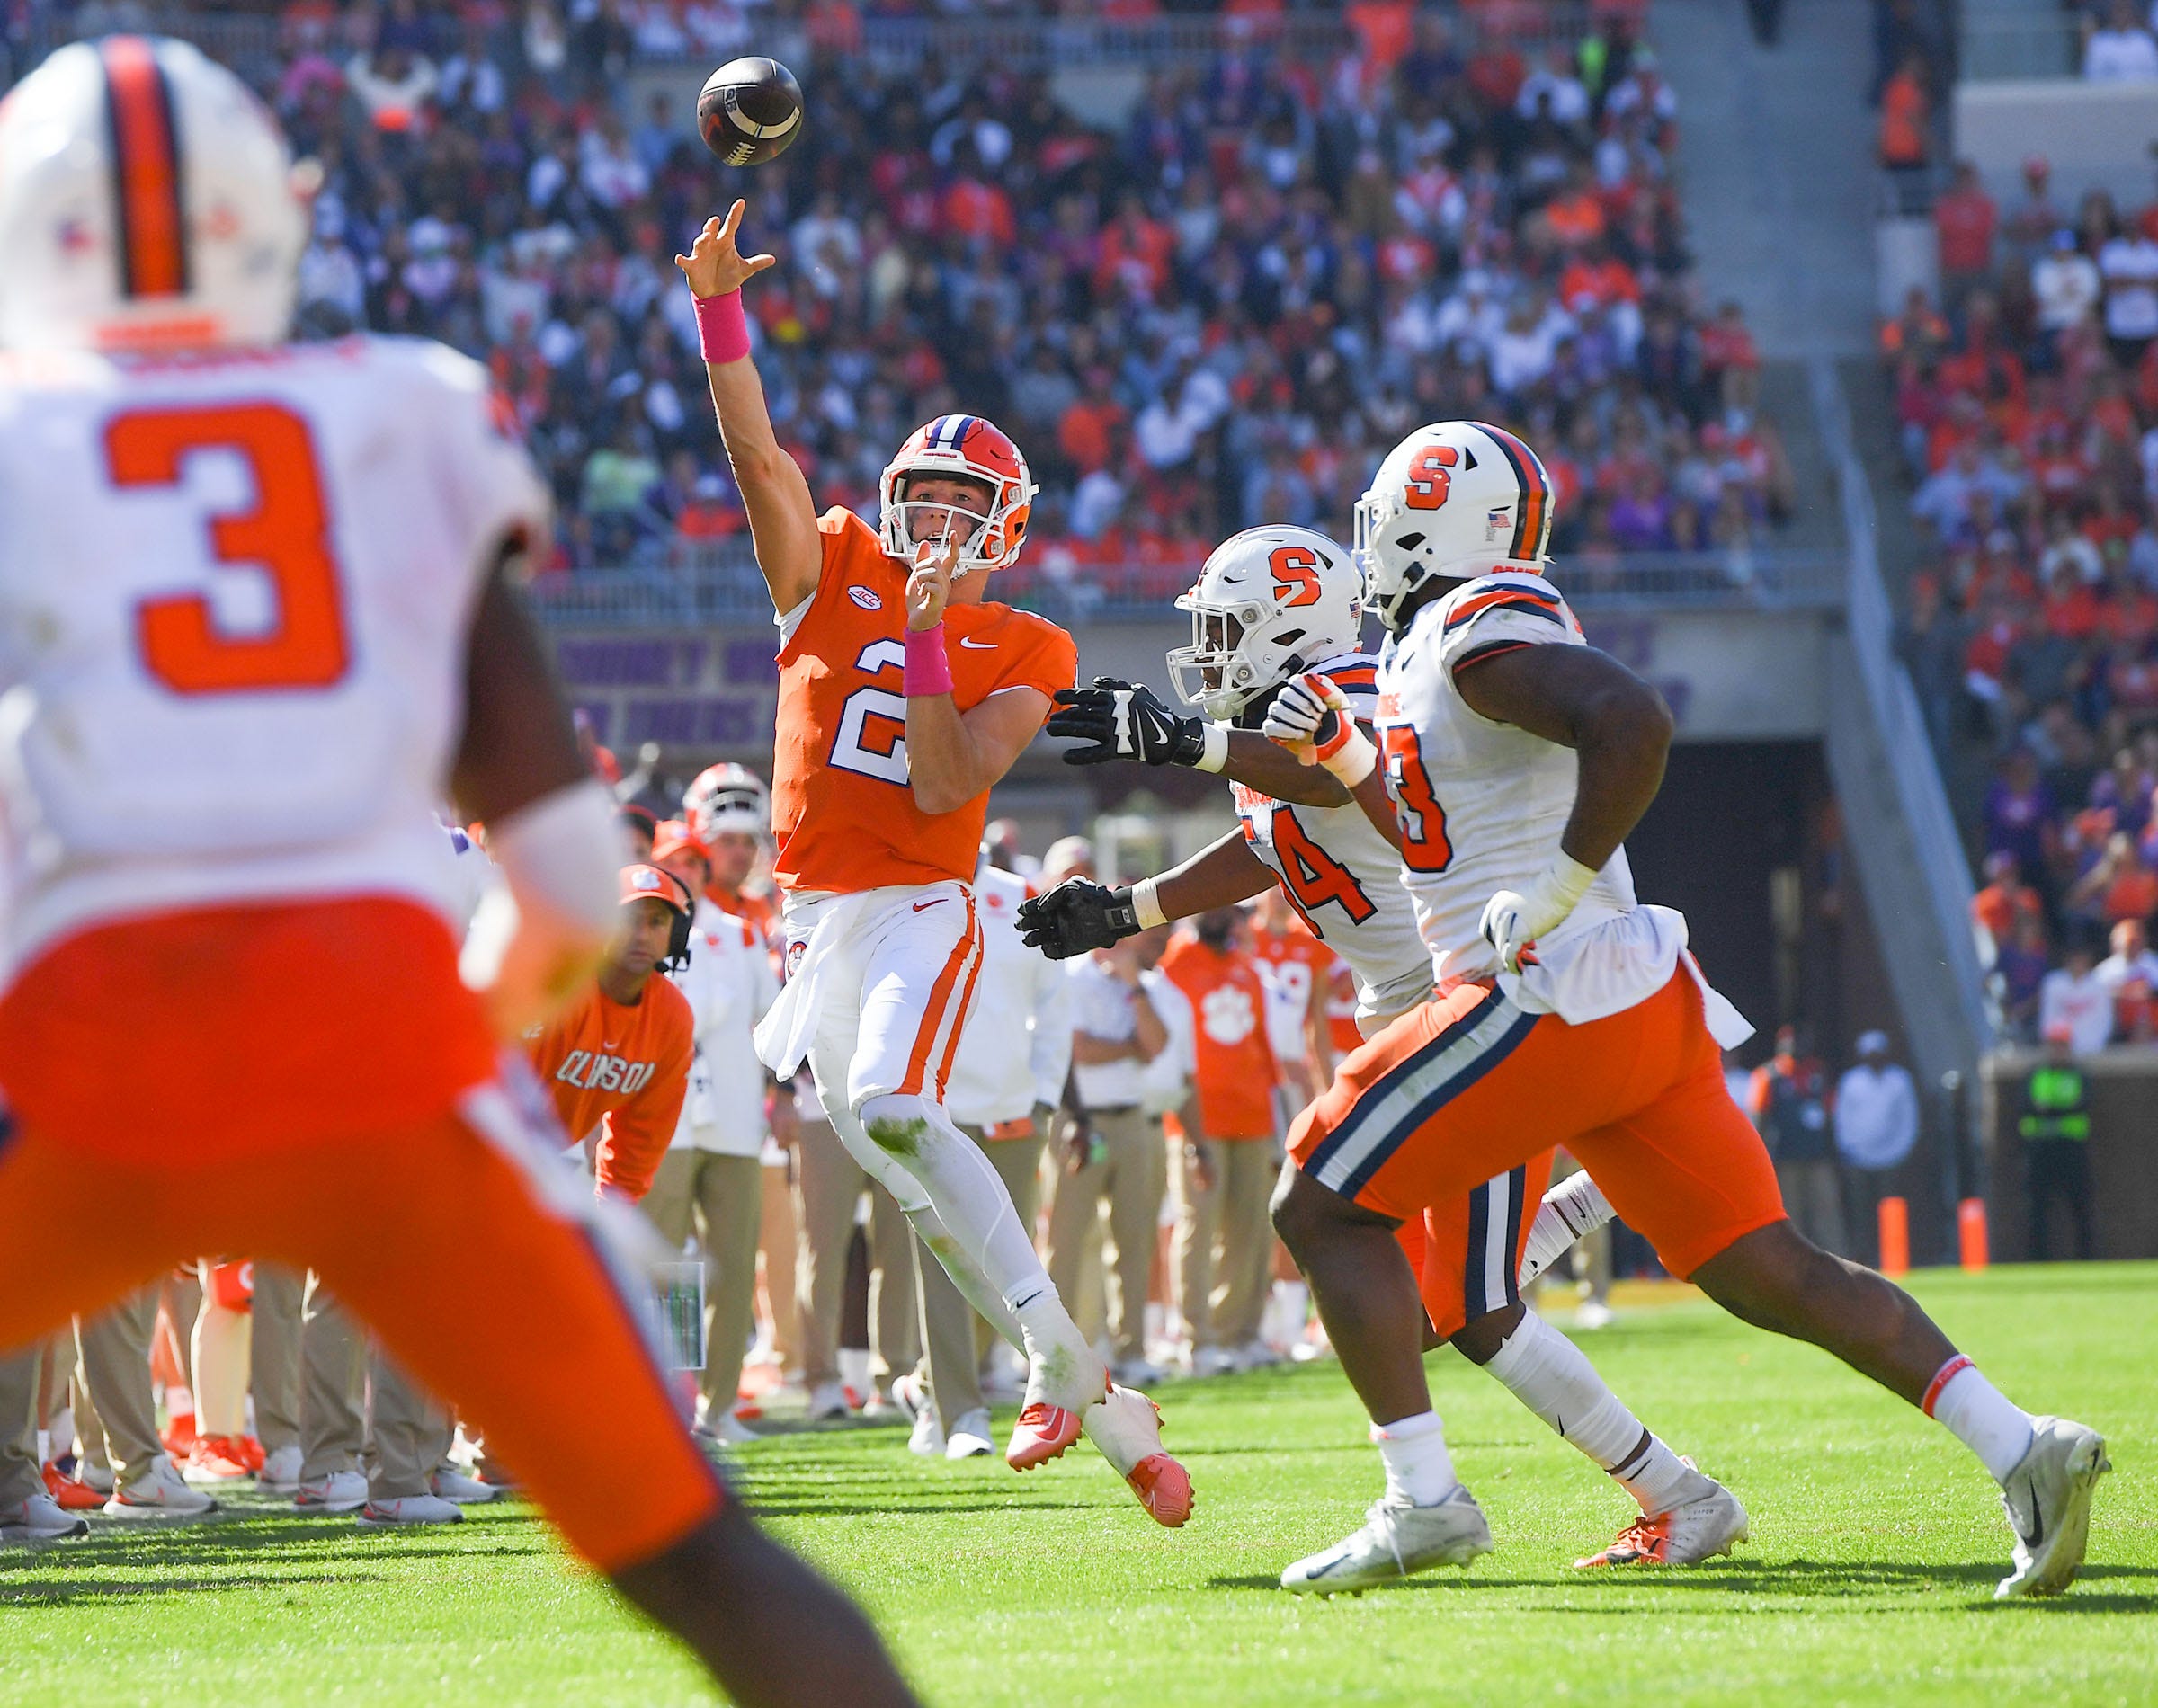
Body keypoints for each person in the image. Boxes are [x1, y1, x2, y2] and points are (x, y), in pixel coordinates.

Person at [0, 41, 915, 1701]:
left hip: (79, 1061)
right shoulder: (399, 406)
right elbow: (570, 878)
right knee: (712, 1562)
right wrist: (433, 1082)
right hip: (387, 1065)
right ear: (267, 220)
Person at [1256, 418, 2107, 1600]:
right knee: (1770, 1270)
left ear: (1430, 515)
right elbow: (1432, 837)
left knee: (1321, 1205)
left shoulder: (1471, 630)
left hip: (1548, 995)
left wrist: (1554, 889)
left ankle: (1426, 1502)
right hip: (1634, 1006)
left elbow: (1634, 721)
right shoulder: (1430, 654)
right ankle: (2024, 1447)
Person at [1023, 520, 1743, 1568]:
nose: (1211, 649)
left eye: (1228, 628)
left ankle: (1621, 1481)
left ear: (1289, 623)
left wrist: (1193, 740)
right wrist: (1130, 908)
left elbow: (1334, 776)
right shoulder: (1263, 731)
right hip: (1406, 1004)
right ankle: (1655, 1462)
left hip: (1467, 996)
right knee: (1428, 1308)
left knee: (1462, 1300)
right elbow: (1279, 839)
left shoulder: (1360, 685)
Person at [677, 200, 1188, 1525]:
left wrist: (920, 644)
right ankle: (1086, 1386)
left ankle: (1053, 1367)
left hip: (923, 904)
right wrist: (719, 316)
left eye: (970, 511)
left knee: (900, 1108)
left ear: (1006, 526)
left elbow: (945, 779)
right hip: (813, 918)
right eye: (929, 504)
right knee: (910, 1177)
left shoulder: (1027, 644)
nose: (943, 528)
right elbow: (755, 458)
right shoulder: (832, 563)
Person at [895, 845, 1071, 1460]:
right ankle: (961, 1411)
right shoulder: (901, 889)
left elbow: (1054, 1004)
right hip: (933, 1109)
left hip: (1013, 1113)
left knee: (1003, 1270)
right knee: (947, 1267)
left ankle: (925, 1390)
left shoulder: (1022, 893)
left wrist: (1045, 1097)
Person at [645, 822, 784, 1444]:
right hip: (665, 1124)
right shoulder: (636, 935)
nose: (687, 873)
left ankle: (719, 1405)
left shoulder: (740, 935)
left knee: (730, 1267)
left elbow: (770, 1020)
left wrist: (774, 1092)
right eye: (674, 862)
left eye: (695, 864)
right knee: (668, 1270)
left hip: (731, 1120)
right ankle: (671, 1402)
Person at [1048, 930, 1177, 1387]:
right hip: (1080, 1120)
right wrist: (1129, 1048)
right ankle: (1055, 1352)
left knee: (1134, 1240)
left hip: (1130, 1118)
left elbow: (1157, 1045)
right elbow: (1079, 1050)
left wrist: (1134, 988)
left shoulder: (1140, 983)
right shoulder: (1070, 977)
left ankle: (1131, 1350)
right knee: (1065, 1241)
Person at [523, 866, 698, 1204]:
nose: (642, 934)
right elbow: (499, 1097)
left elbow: (642, 1137)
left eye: (657, 922)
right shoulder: (563, 989)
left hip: (546, 1159)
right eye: (630, 919)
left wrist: (612, 1212)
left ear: (675, 935)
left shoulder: (671, 1018)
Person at [1158, 908, 1280, 1374]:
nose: (1231, 921)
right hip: (1198, 1119)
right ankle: (1198, 1338)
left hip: (1252, 1115)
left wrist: (1276, 1118)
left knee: (1250, 1229)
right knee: (1197, 1226)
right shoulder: (1177, 964)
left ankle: (1241, 1334)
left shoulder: (1248, 969)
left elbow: (1263, 1050)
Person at [1748, 1027, 1843, 1255]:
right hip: (1785, 1157)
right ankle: (1794, 1260)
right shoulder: (1768, 1076)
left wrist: (1833, 1152)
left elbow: (1830, 1114)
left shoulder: (1818, 1072)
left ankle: (1837, 1259)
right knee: (1791, 1213)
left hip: (1817, 1155)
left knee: (1827, 1210)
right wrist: (1762, 1160)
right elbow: (1759, 1118)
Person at [1833, 1032, 1922, 1268]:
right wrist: (1850, 1150)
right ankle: (1863, 1257)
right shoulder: (1851, 1081)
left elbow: (1908, 1120)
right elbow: (1843, 1120)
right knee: (1862, 1212)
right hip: (1858, 1158)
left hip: (1892, 1157)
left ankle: (1894, 1255)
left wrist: (1899, 1151)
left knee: (1891, 1209)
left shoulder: (1899, 1080)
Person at [2020, 1026, 2095, 1261]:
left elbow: (2083, 1104)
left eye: (2062, 1045)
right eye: (2054, 1045)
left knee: (2080, 1205)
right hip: (2041, 1147)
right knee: (2037, 1207)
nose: (2057, 1051)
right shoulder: (2035, 1073)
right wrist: (2060, 1109)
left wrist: (2049, 1109)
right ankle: (2037, 1259)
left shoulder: (2078, 1074)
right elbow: (2024, 1105)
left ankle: (2088, 1257)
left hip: (2071, 1147)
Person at [2038, 939, 2115, 1057]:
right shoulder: (2053, 982)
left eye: (2081, 957)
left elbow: (2106, 1022)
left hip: (2094, 1050)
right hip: (2061, 1052)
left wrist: (2094, 1046)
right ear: (2067, 959)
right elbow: (2047, 1021)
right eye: (2074, 957)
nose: (2078, 961)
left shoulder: (2100, 983)